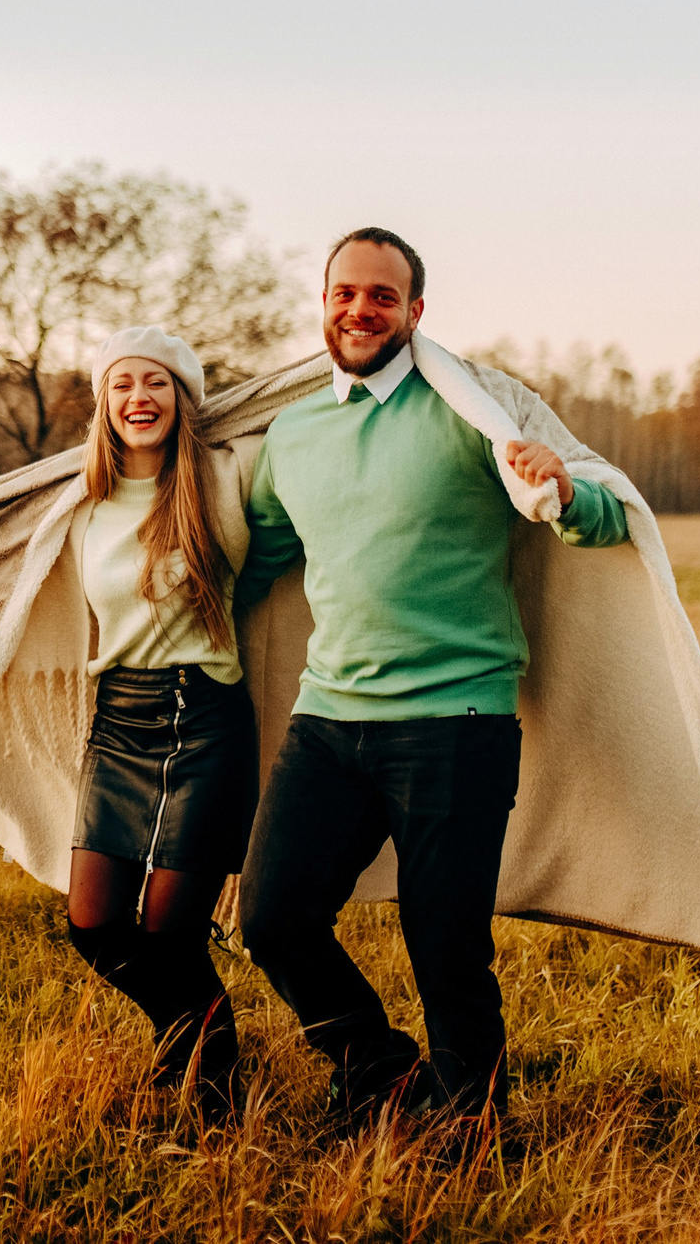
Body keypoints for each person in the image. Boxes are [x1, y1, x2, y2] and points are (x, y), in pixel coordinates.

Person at [234, 227, 635, 1128]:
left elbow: (602, 516)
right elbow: (254, 559)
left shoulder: (477, 412)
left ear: (415, 312)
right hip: (329, 721)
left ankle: (471, 1125)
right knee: (272, 917)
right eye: (345, 292)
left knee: (446, 946)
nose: (360, 309)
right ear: (324, 303)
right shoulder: (293, 433)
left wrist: (562, 490)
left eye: (382, 296)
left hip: (457, 721)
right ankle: (377, 1067)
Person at [62, 326, 257, 1126]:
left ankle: (213, 1091)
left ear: (184, 400)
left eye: (159, 383)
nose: (139, 397)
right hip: (117, 724)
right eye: (122, 384)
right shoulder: (78, 504)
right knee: (93, 925)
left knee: (170, 934)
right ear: (104, 403)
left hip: (206, 722)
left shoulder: (225, 482)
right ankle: (190, 1033)